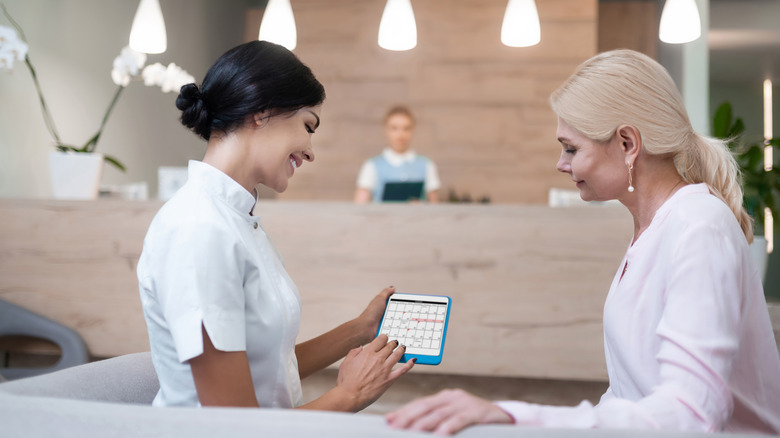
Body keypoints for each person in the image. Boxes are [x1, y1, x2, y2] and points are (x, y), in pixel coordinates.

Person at [386, 49, 780, 434]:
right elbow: (630, 397)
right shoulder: (654, 229)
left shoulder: (698, 226)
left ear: (627, 144)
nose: (561, 164)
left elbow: (690, 416)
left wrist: (516, 415)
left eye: (571, 148)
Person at [137, 41, 414, 411]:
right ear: (262, 111)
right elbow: (237, 427)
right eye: (308, 126)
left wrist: (359, 330)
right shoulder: (199, 229)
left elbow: (268, 367)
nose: (311, 150)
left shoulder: (234, 218)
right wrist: (351, 394)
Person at [354, 106, 441, 203]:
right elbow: (359, 206)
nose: (400, 134)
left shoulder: (427, 165)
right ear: (386, 130)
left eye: (406, 128)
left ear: (412, 130)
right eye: (394, 128)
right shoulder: (371, 165)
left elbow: (434, 206)